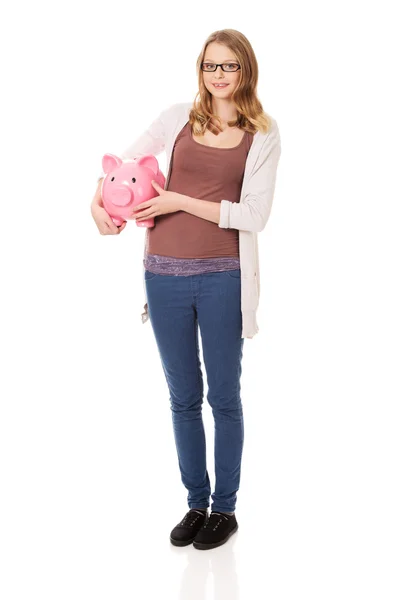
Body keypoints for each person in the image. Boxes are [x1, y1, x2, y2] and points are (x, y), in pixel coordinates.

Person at [91, 29, 281, 551]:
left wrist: (179, 199)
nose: (218, 75)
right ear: (201, 71)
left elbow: (254, 215)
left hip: (223, 277)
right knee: (182, 398)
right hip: (163, 274)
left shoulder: (263, 133)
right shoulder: (177, 117)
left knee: (223, 396)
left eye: (229, 66)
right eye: (210, 66)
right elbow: (120, 168)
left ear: (245, 71)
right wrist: (95, 205)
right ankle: (196, 502)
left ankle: (226, 509)